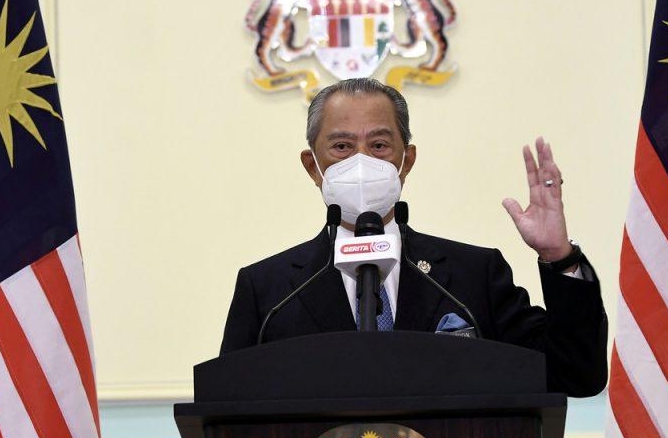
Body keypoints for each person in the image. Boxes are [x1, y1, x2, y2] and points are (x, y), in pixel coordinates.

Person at [220, 78, 608, 397]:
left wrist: (560, 257)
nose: (362, 161)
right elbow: (223, 414)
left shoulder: (473, 275)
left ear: (407, 160)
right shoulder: (268, 291)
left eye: (379, 145)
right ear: (313, 166)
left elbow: (574, 376)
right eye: (342, 147)